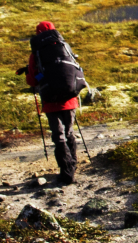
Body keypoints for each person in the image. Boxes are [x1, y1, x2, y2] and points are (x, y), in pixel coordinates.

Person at [17, 21, 86, 184]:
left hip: (50, 100)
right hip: (70, 98)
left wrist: (39, 76)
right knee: (69, 132)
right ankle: (73, 166)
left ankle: (66, 172)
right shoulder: (65, 47)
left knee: (58, 136)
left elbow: (33, 81)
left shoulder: (36, 54)